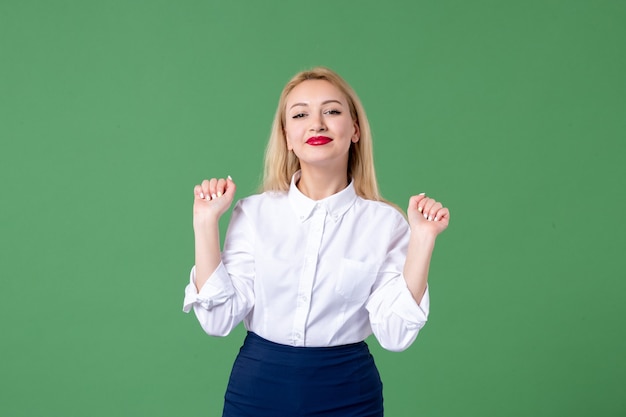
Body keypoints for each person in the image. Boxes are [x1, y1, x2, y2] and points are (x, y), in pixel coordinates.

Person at [183, 67, 450, 416]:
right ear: (287, 136)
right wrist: (204, 223)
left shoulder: (386, 225)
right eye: (300, 114)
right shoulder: (254, 214)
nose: (317, 124)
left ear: (355, 129)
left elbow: (395, 336)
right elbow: (217, 322)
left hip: (349, 394)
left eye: (332, 111)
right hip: (258, 391)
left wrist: (423, 240)